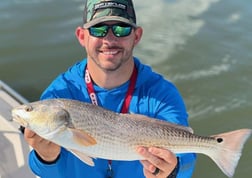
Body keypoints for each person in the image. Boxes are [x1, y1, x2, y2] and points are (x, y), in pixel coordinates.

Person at [24, 0, 196, 177]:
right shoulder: (59, 95)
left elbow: (186, 157)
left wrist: (172, 171)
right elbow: (48, 174)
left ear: (136, 36)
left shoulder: (162, 94)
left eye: (122, 29)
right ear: (82, 36)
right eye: (98, 29)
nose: (110, 39)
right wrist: (46, 158)